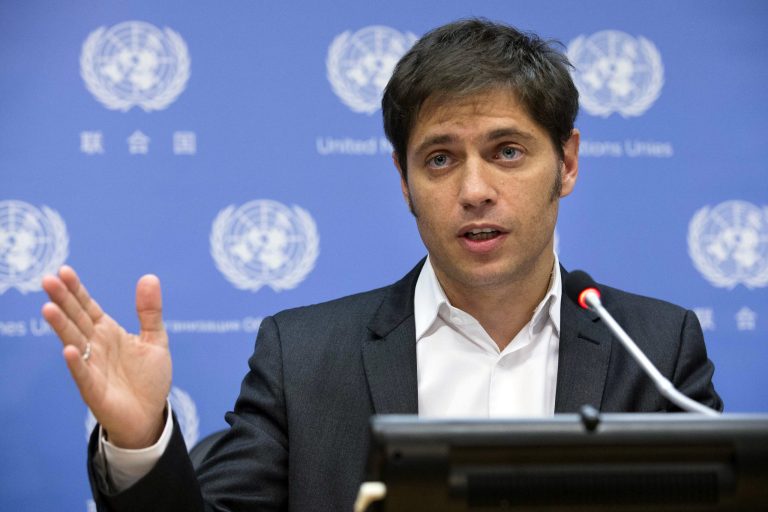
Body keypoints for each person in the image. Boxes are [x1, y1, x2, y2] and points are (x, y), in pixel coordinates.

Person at [42, 19, 722, 512]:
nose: (475, 189)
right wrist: (140, 443)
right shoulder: (303, 357)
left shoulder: (656, 350)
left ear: (567, 162)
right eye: (440, 158)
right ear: (404, 180)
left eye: (508, 151)